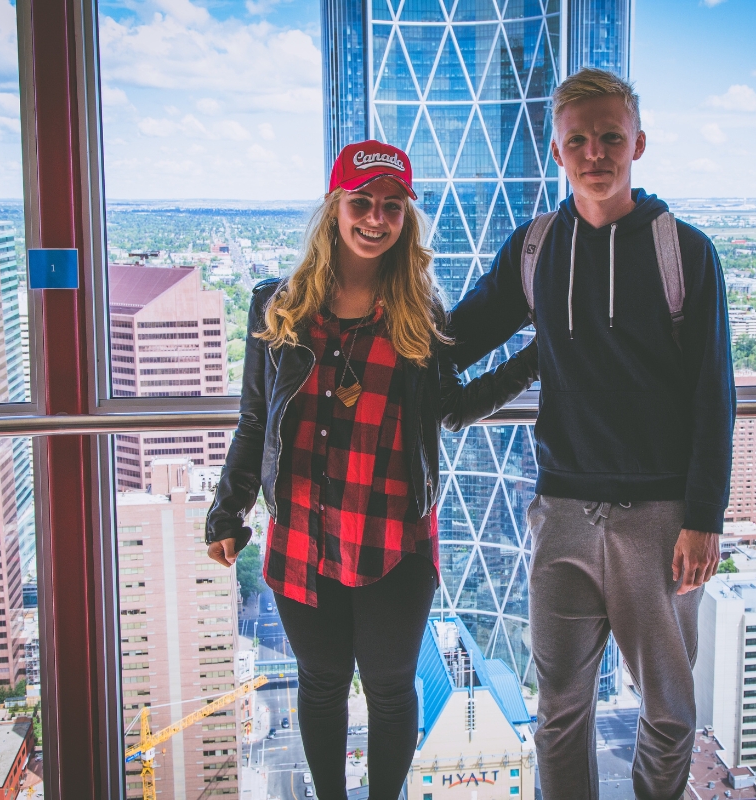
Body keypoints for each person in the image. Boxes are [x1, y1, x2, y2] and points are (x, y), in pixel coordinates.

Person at [204, 140, 539, 800]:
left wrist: (540, 358)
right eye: (361, 203)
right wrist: (227, 509)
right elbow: (253, 420)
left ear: (405, 220)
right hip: (301, 533)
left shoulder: (420, 313)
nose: (375, 219)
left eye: (391, 206)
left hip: (394, 538)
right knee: (322, 684)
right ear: (334, 210)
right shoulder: (276, 306)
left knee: (389, 688)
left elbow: (456, 407)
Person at [447, 69, 736, 800]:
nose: (596, 152)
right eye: (578, 139)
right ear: (556, 151)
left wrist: (704, 518)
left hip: (662, 518)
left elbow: (714, 394)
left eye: (611, 136)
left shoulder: (685, 252)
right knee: (558, 712)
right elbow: (459, 337)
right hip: (563, 513)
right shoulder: (536, 247)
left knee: (671, 714)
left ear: (639, 142)